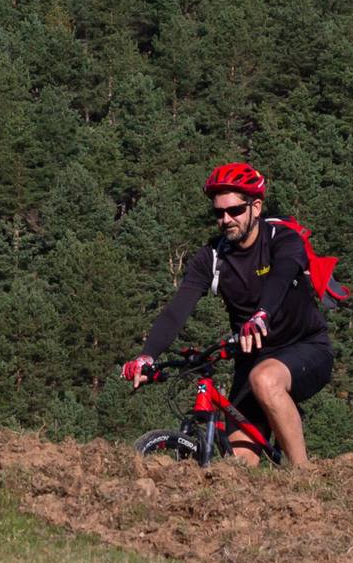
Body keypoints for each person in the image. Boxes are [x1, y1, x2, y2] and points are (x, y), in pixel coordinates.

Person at [118, 163, 335, 465]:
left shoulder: (282, 240)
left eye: (234, 211)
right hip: (252, 358)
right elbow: (177, 309)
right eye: (218, 213)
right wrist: (147, 355)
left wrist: (262, 315)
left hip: (306, 348)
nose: (226, 219)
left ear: (255, 207)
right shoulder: (212, 258)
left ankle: (305, 476)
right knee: (238, 465)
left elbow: (281, 277)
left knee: (265, 379)